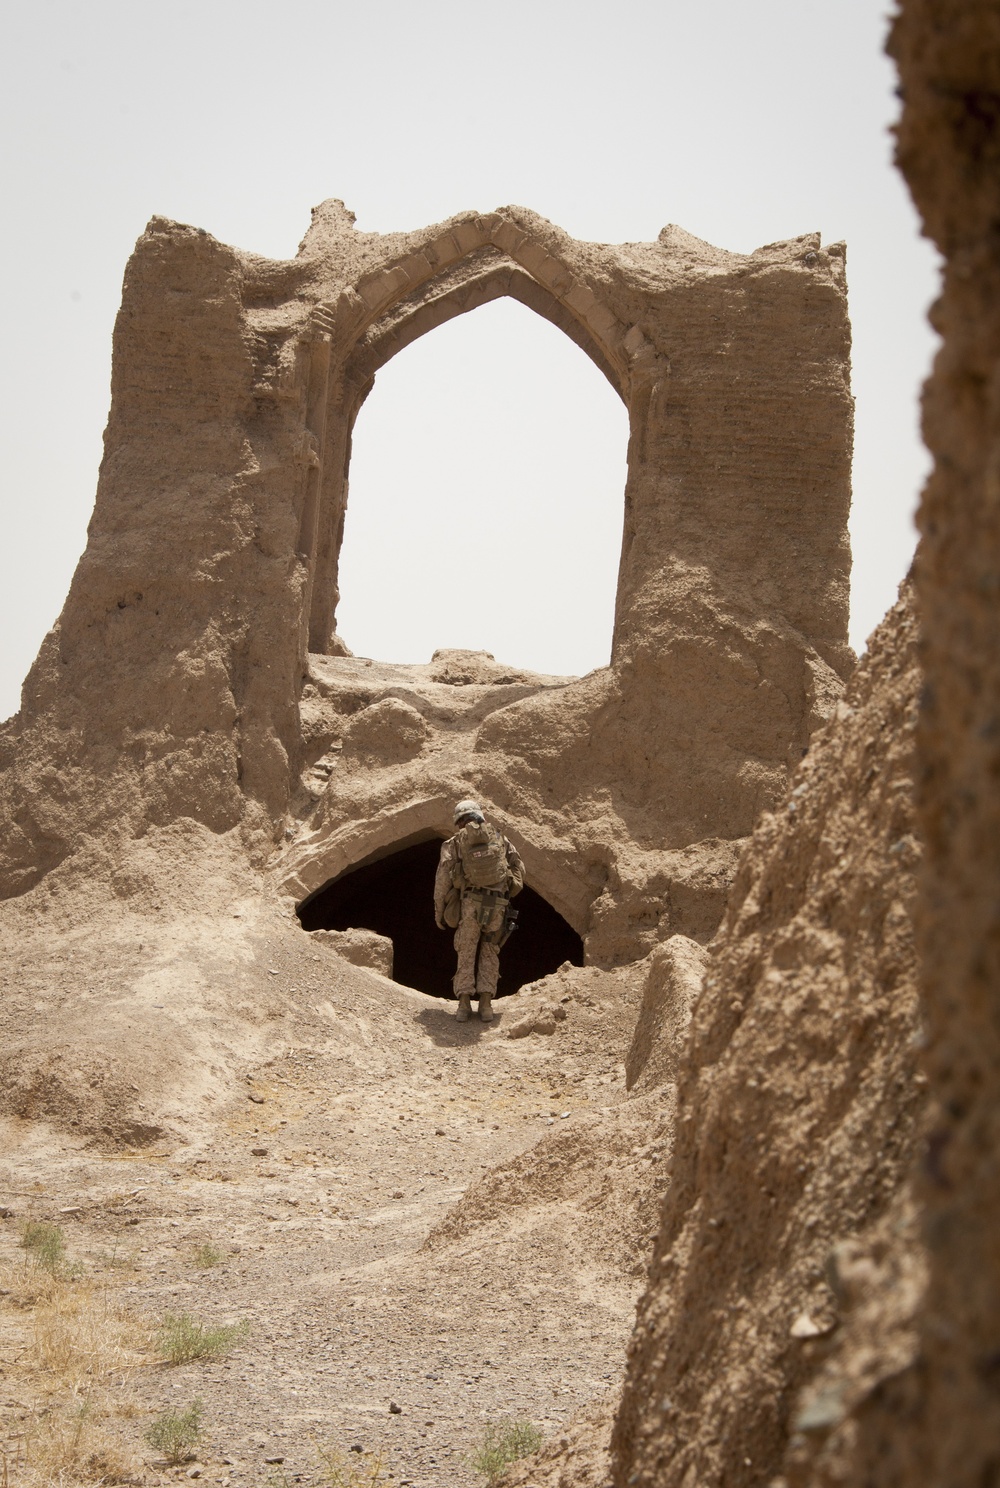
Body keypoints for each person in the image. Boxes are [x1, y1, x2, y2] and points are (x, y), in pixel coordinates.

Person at [434, 800, 524, 1022]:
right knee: (490, 950)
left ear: (460, 821)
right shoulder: (500, 838)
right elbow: (519, 868)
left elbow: (442, 880)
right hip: (497, 905)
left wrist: (439, 910)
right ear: (479, 817)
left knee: (466, 949)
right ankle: (486, 1005)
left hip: (470, 903)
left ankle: (464, 1005)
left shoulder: (454, 843)